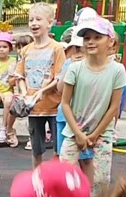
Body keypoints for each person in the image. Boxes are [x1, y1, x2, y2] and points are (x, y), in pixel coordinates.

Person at [61, 17, 126, 197]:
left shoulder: (117, 70)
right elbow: (65, 104)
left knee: (100, 178)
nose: (90, 42)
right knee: (65, 174)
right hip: (74, 130)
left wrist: (96, 134)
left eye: (97, 37)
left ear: (111, 42)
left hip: (102, 132)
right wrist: (78, 134)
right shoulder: (75, 68)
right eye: (87, 38)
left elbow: (114, 107)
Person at [12, 2, 65, 166]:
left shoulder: (57, 49)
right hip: (34, 108)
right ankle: (37, 177)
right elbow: (20, 76)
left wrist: (43, 91)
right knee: (36, 149)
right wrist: (24, 93)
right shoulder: (25, 50)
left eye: (38, 19)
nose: (34, 23)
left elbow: (59, 77)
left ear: (49, 23)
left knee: (59, 148)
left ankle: (56, 177)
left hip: (54, 107)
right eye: (31, 20)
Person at [54, 27, 85, 161]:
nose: (78, 52)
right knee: (63, 156)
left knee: (85, 159)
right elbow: (60, 88)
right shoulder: (69, 63)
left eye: (81, 48)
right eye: (75, 48)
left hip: (83, 118)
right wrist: (71, 66)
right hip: (64, 116)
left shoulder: (93, 67)